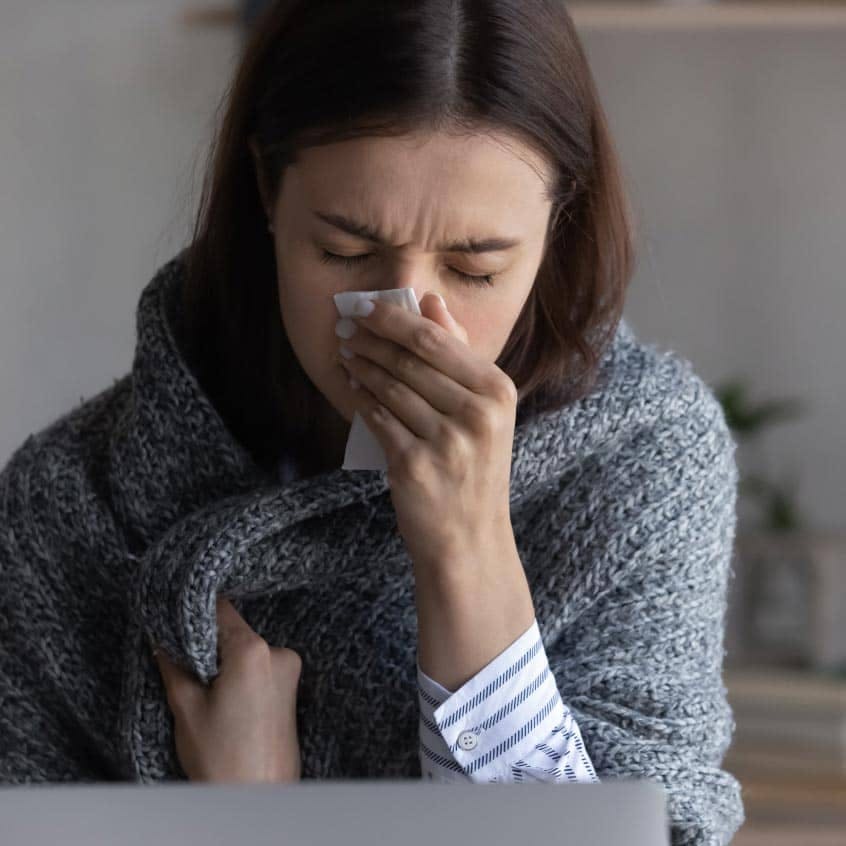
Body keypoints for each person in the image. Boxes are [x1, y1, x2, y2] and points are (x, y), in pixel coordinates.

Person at [0, 2, 744, 843]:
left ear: (555, 226)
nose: (407, 321)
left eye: (475, 266)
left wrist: (467, 554)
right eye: (345, 253)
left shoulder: (641, 463)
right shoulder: (69, 504)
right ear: (266, 195)